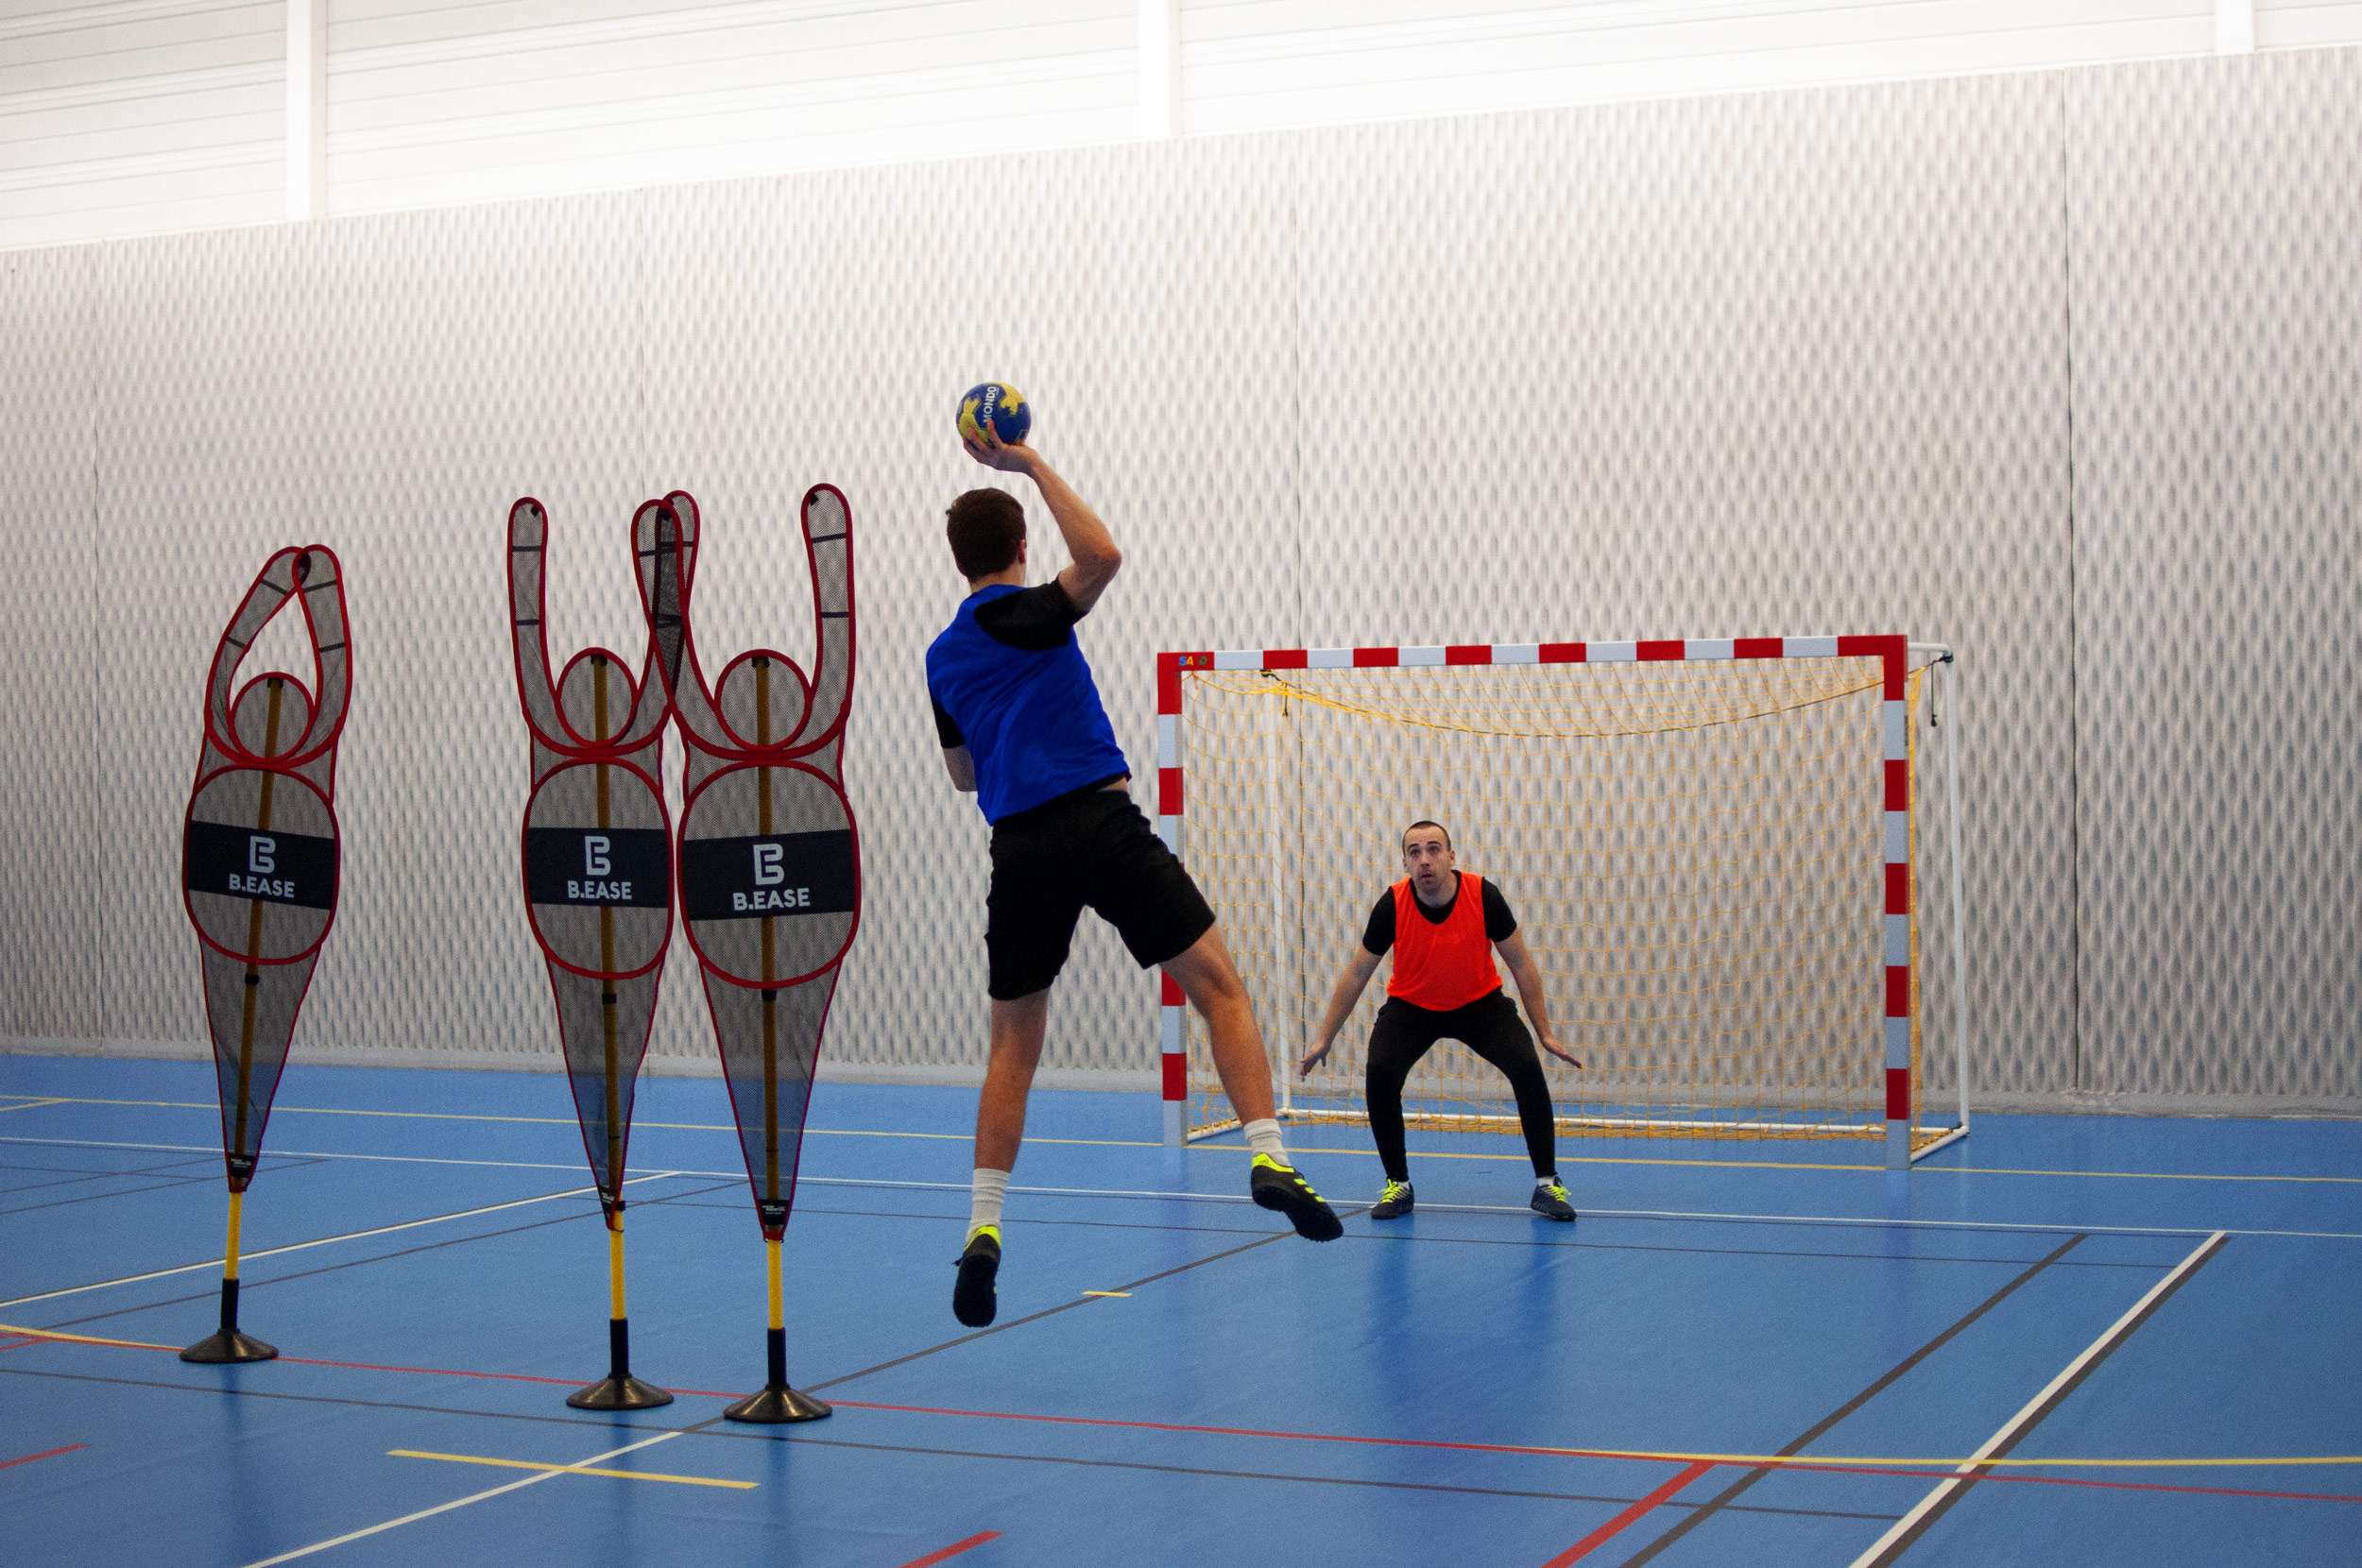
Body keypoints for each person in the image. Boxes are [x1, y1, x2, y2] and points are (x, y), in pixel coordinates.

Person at [927, 429, 1341, 1328]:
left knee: (1012, 1047)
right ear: (1022, 548)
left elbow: (963, 777)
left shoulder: (941, 655)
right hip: (1100, 821)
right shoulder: (1029, 613)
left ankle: (984, 1228)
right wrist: (1029, 464)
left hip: (1019, 844)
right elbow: (1106, 554)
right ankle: (1267, 1153)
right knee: (1219, 987)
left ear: (956, 560)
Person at [1298, 820, 1581, 1221]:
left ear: (1451, 857)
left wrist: (1545, 1032)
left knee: (1526, 1066)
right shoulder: (1392, 904)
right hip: (1411, 1009)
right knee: (1379, 1071)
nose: (1425, 859)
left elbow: (1521, 964)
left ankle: (1547, 1184)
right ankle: (1398, 1185)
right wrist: (1324, 1037)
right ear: (1405, 862)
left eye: (1433, 849)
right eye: (1415, 852)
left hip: (1479, 1004)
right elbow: (1357, 973)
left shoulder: (1482, 894)